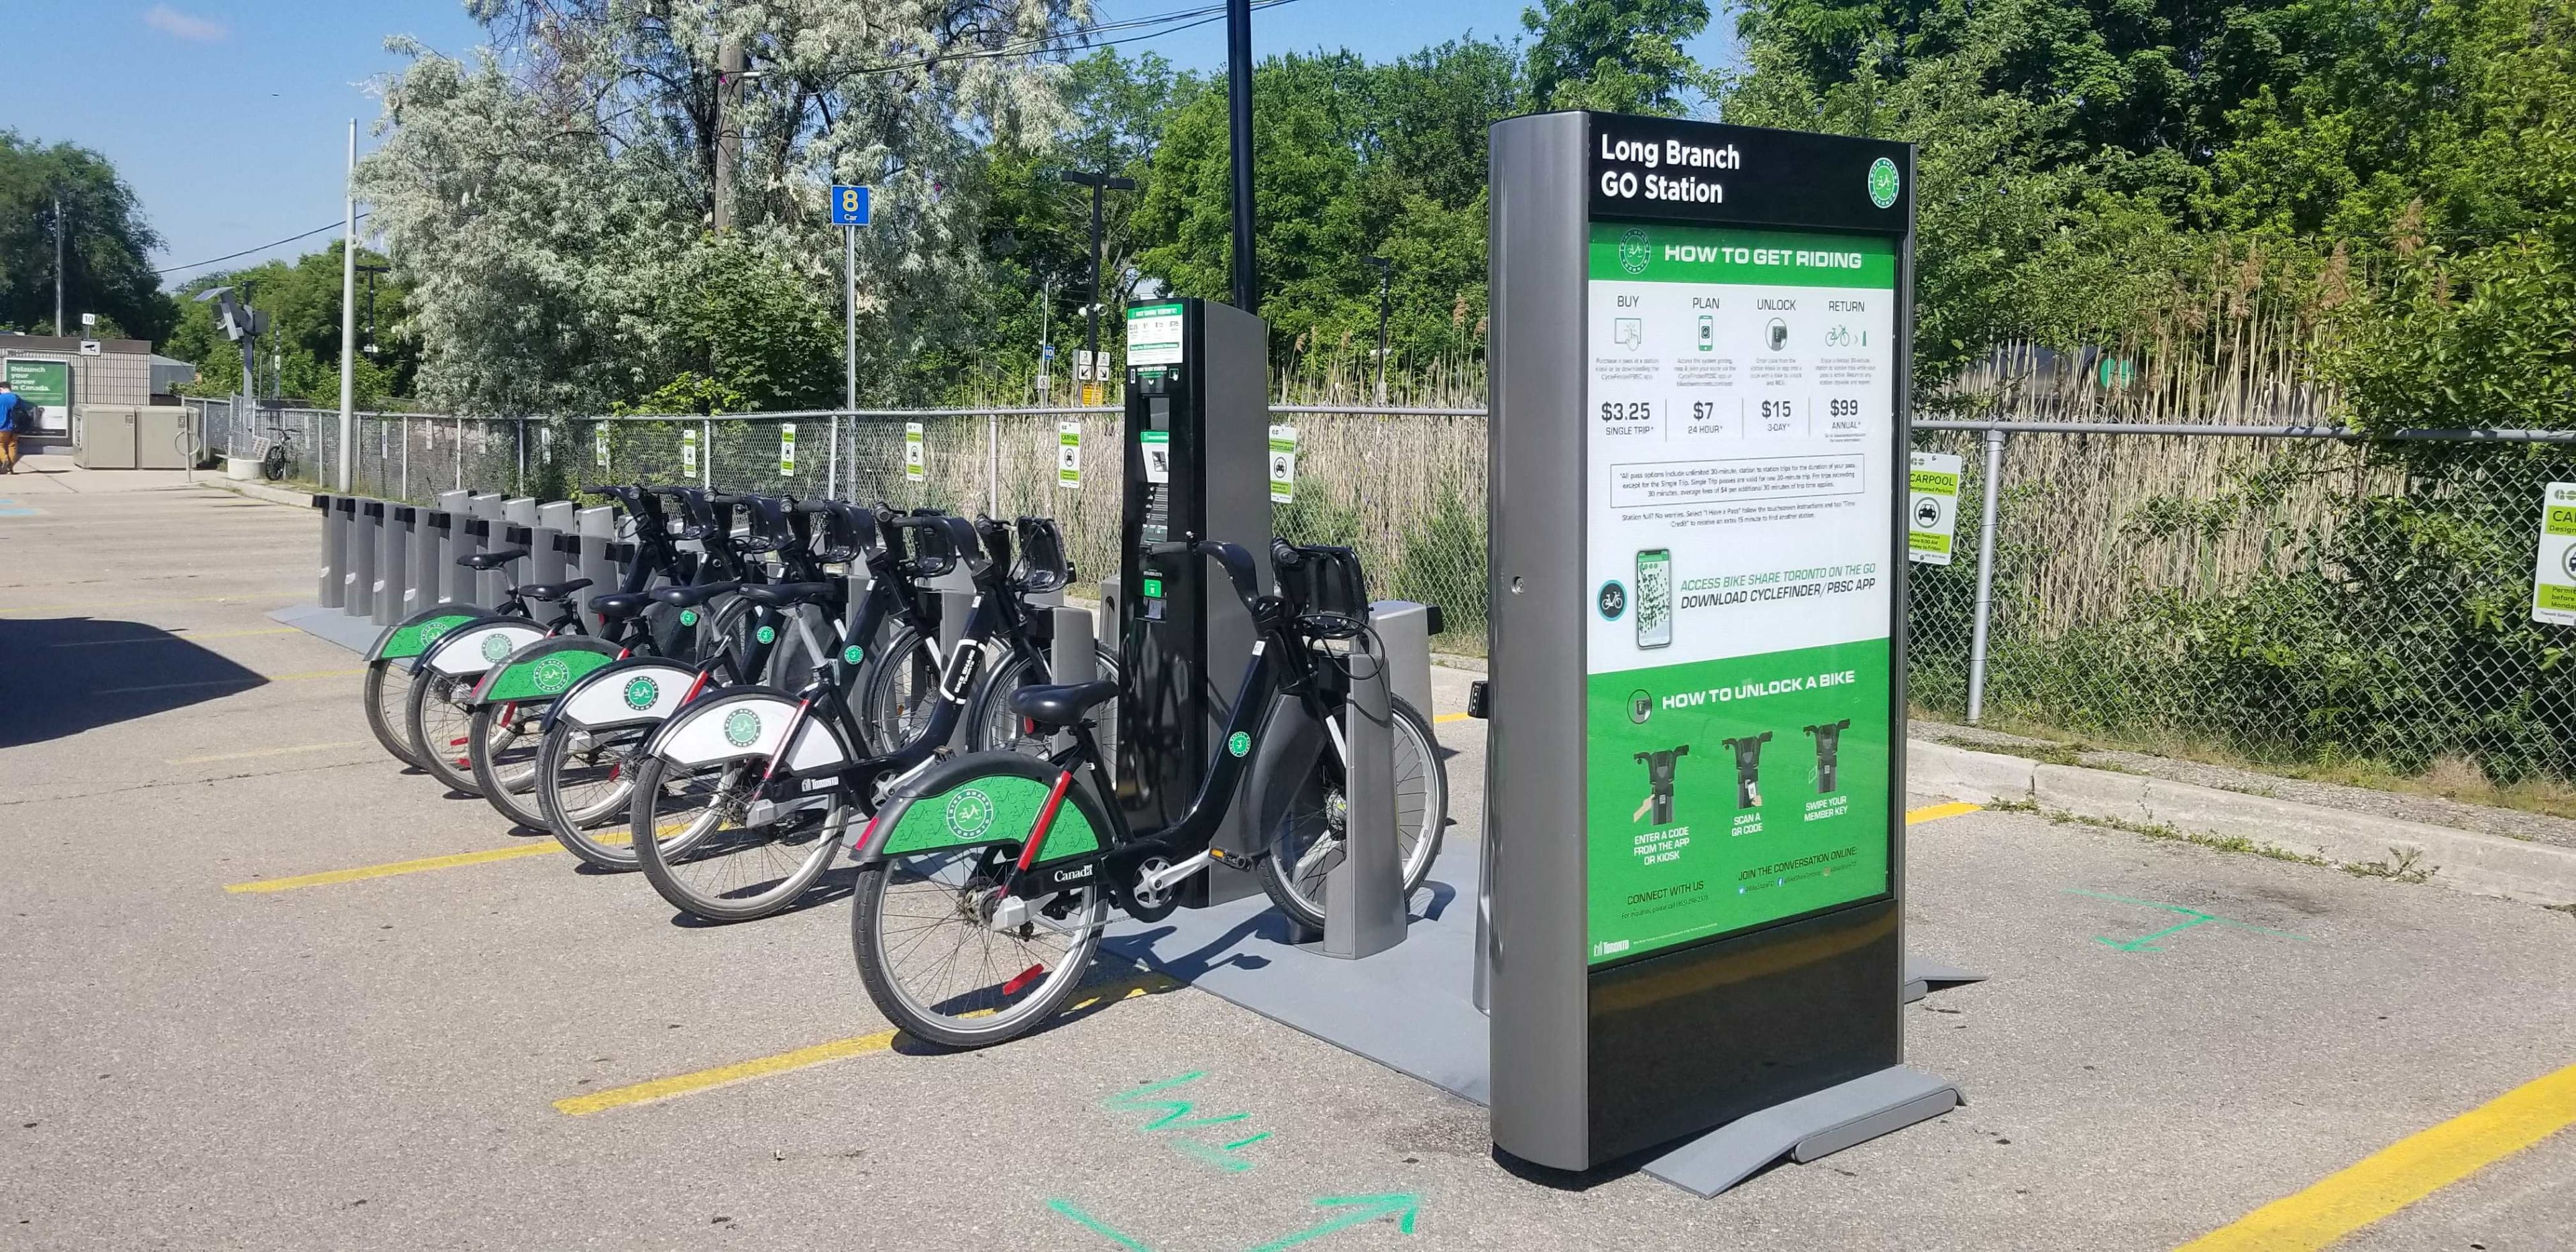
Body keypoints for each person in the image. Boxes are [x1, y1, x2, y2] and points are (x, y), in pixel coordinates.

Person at [0, 380, 24, 474]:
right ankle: (11, 467)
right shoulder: (17, 399)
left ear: (1, 389)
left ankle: (4, 459)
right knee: (12, 446)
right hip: (15, 428)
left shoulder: (1, 399)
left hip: (2, 427)